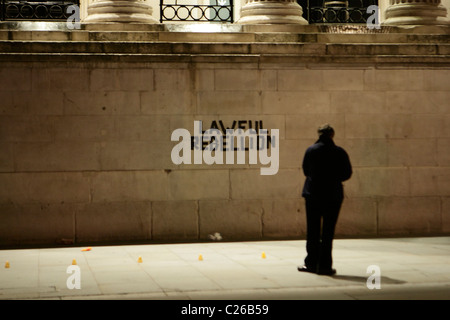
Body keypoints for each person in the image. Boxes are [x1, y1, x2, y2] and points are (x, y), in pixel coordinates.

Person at [298, 124, 352, 276]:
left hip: (313, 193)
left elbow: (305, 170)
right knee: (328, 231)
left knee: (313, 230)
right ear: (332, 135)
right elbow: (347, 173)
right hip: (333, 194)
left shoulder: (311, 150)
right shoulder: (339, 152)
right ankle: (325, 266)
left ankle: (311, 263)